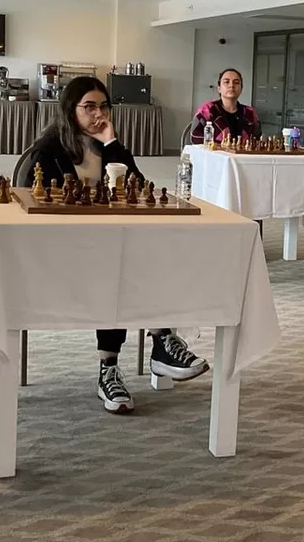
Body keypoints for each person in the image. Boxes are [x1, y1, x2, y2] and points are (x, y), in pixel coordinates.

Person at [15, 75, 209, 414]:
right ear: (70, 110)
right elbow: (30, 205)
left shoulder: (107, 145)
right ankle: (129, 358)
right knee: (118, 264)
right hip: (60, 251)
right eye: (89, 107)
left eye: (104, 106)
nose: (98, 114)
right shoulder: (47, 151)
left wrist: (112, 143)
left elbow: (140, 188)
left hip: (108, 243)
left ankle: (157, 344)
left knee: (150, 252)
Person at [189, 68, 262, 144]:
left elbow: (257, 139)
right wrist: (217, 147)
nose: (231, 85)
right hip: (212, 151)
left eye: (236, 83)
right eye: (226, 82)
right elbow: (195, 137)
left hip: (243, 151)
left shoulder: (250, 113)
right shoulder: (207, 109)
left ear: (241, 89)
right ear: (219, 88)